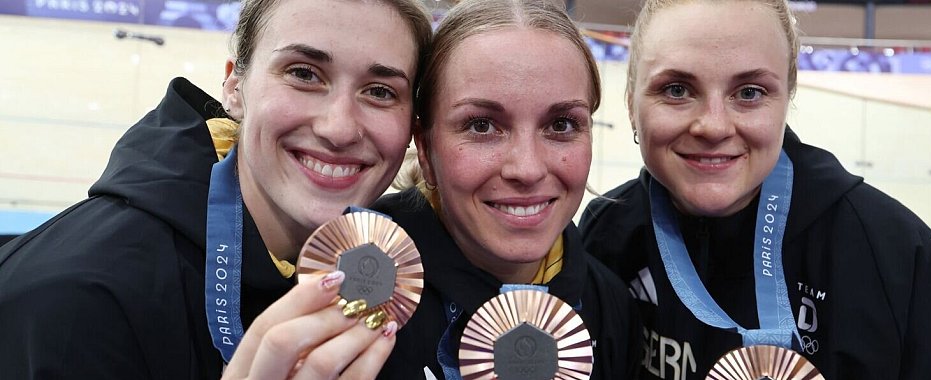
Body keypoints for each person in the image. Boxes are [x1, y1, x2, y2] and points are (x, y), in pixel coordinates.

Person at [0, 0, 431, 378]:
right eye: (304, 74)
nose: (338, 128)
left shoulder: (394, 287)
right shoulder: (74, 303)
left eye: (379, 92)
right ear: (235, 87)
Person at [580, 1, 931, 379]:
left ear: (787, 97)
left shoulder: (896, 254)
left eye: (749, 93)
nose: (714, 126)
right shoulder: (606, 235)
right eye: (676, 90)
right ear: (631, 100)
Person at [370, 0, 640, 378]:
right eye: (482, 126)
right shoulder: (356, 273)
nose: (527, 169)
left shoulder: (610, 305)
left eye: (561, 124)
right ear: (426, 149)